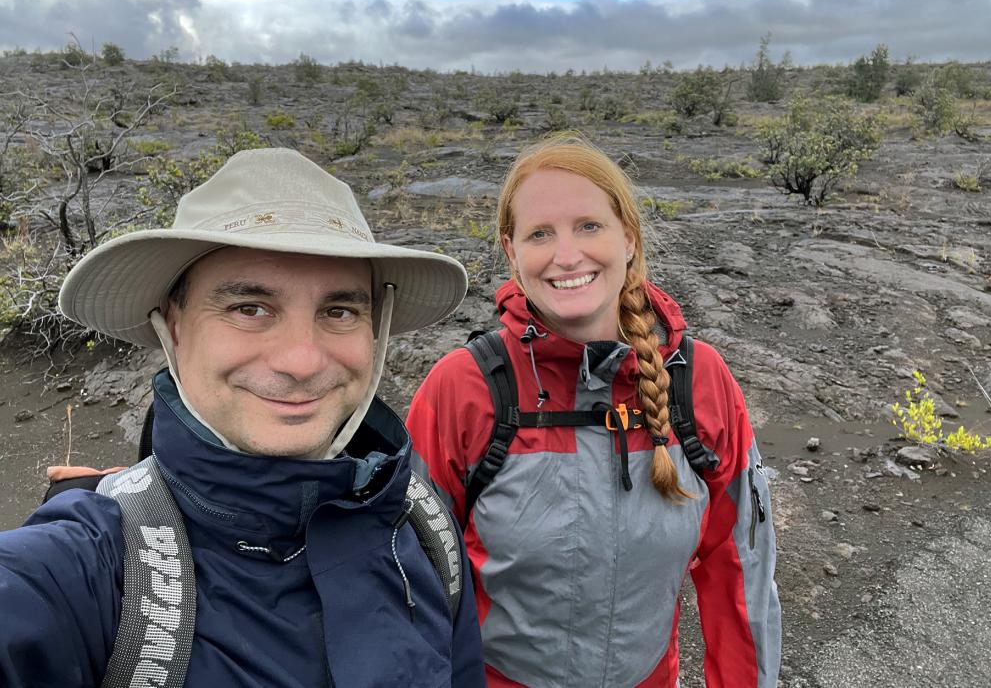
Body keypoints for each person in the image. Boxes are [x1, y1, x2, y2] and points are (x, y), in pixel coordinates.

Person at [0, 148, 486, 687]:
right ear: (174, 327)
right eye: (249, 309)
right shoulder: (83, 570)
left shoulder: (421, 521)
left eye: (340, 311)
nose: (301, 361)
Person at [406, 134, 781, 687]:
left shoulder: (700, 382)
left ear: (627, 238)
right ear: (512, 254)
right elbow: (411, 584)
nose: (566, 255)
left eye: (588, 225)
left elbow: (740, 572)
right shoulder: (464, 389)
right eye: (540, 234)